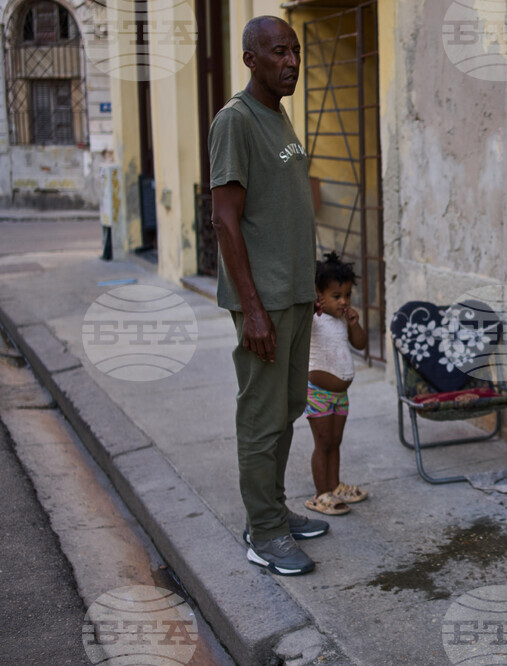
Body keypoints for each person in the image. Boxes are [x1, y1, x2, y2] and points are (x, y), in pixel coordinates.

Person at [210, 15, 328, 576]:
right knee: (261, 418)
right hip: (265, 301)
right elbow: (224, 220)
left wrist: (309, 285)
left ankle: (273, 512)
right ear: (250, 59)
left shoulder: (278, 114)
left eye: (295, 50)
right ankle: (263, 532)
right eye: (279, 52)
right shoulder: (235, 121)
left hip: (294, 293)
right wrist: (252, 309)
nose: (292, 62)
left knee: (286, 410)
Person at [303, 252, 369, 515]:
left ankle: (334, 486)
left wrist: (355, 324)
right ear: (319, 295)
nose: (344, 302)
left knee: (335, 442)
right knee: (323, 443)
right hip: (318, 393)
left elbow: (361, 344)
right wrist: (312, 307)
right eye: (336, 296)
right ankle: (321, 495)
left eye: (347, 295)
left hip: (340, 396)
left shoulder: (344, 319)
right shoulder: (314, 318)